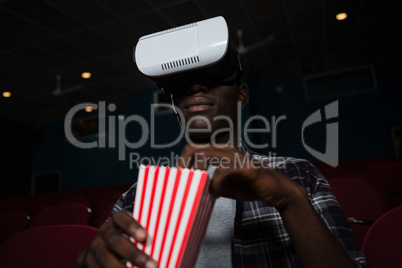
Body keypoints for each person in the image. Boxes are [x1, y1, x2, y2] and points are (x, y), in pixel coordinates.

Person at [76, 20, 366, 268]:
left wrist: (292, 203)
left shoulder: (298, 176)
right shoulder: (135, 200)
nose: (195, 87)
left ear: (241, 95)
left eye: (211, 77)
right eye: (181, 83)